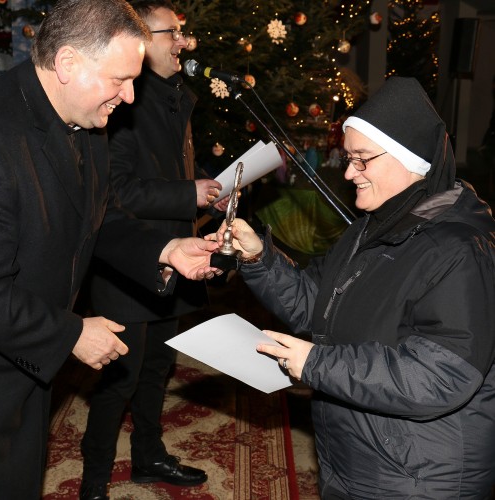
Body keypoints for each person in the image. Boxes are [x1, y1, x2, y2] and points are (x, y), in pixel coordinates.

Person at [209, 77, 495, 499]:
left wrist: (316, 364)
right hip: (358, 454)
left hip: (418, 475)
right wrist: (257, 258)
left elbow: (442, 376)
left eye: (362, 159)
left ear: (411, 159)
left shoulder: (457, 250)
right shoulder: (373, 227)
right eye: (348, 158)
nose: (348, 173)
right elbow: (315, 305)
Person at [0, 1, 221, 498]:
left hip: (27, 355)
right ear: (69, 63)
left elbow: (95, 222)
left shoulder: (89, 121)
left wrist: (165, 248)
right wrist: (71, 331)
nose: (131, 95)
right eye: (121, 79)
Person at [79, 1, 228, 498]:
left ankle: (148, 457)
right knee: (119, 380)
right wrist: (190, 193)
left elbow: (172, 163)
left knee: (159, 368)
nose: (183, 43)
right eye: (172, 34)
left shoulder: (171, 95)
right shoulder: (123, 102)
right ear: (140, 37)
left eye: (184, 33)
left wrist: (209, 178)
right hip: (128, 262)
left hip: (175, 254)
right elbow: (116, 192)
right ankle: (94, 482)